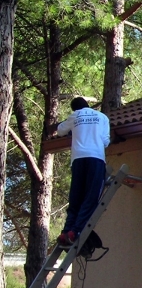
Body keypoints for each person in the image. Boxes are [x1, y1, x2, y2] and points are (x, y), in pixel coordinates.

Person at [55, 97, 110, 247]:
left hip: (78, 159)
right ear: (87, 105)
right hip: (96, 158)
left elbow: (60, 131)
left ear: (75, 109)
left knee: (76, 197)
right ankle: (76, 231)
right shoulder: (102, 117)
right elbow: (105, 141)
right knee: (91, 197)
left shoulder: (75, 116)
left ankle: (66, 231)